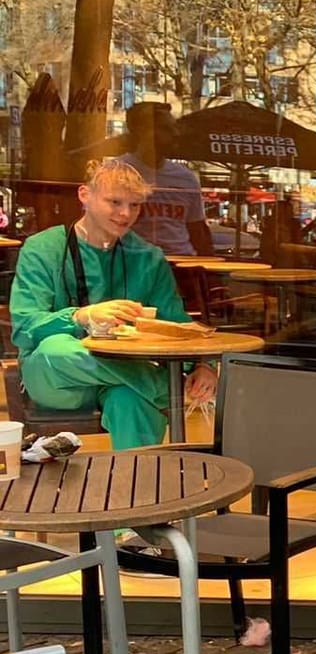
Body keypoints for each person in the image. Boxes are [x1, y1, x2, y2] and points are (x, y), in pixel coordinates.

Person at [9, 158, 216, 449]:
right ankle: (166, 388)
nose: (125, 214)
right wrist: (81, 316)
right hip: (58, 379)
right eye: (115, 202)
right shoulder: (42, 248)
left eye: (134, 205)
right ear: (85, 195)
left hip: (126, 376)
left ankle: (143, 487)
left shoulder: (149, 257)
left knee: (130, 401)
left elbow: (176, 324)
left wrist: (203, 364)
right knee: (55, 347)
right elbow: (24, 328)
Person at [122, 102, 215, 256]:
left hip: (180, 265)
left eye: (174, 127)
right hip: (132, 265)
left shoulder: (185, 178)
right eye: (166, 129)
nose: (176, 134)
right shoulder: (114, 173)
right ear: (143, 131)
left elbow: (197, 231)